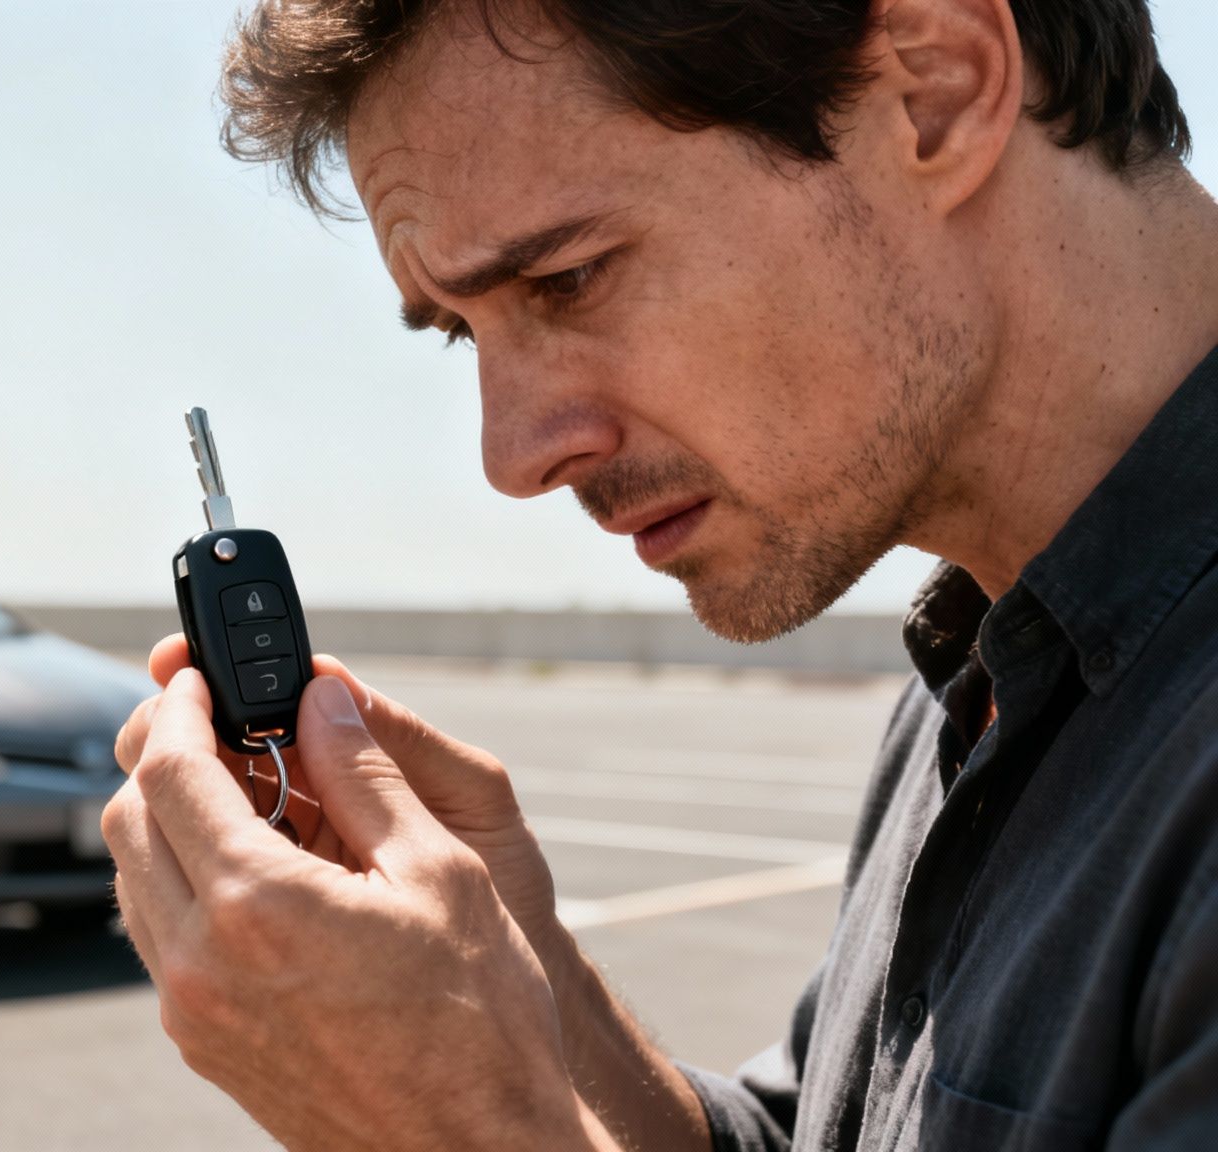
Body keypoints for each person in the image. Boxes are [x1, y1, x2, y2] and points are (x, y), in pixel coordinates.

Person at [101, 0, 1218, 1147]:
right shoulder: (994, 652)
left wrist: (467, 1130)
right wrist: (525, 981)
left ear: (931, 90)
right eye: (460, 332)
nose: (514, 457)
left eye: (570, 279)